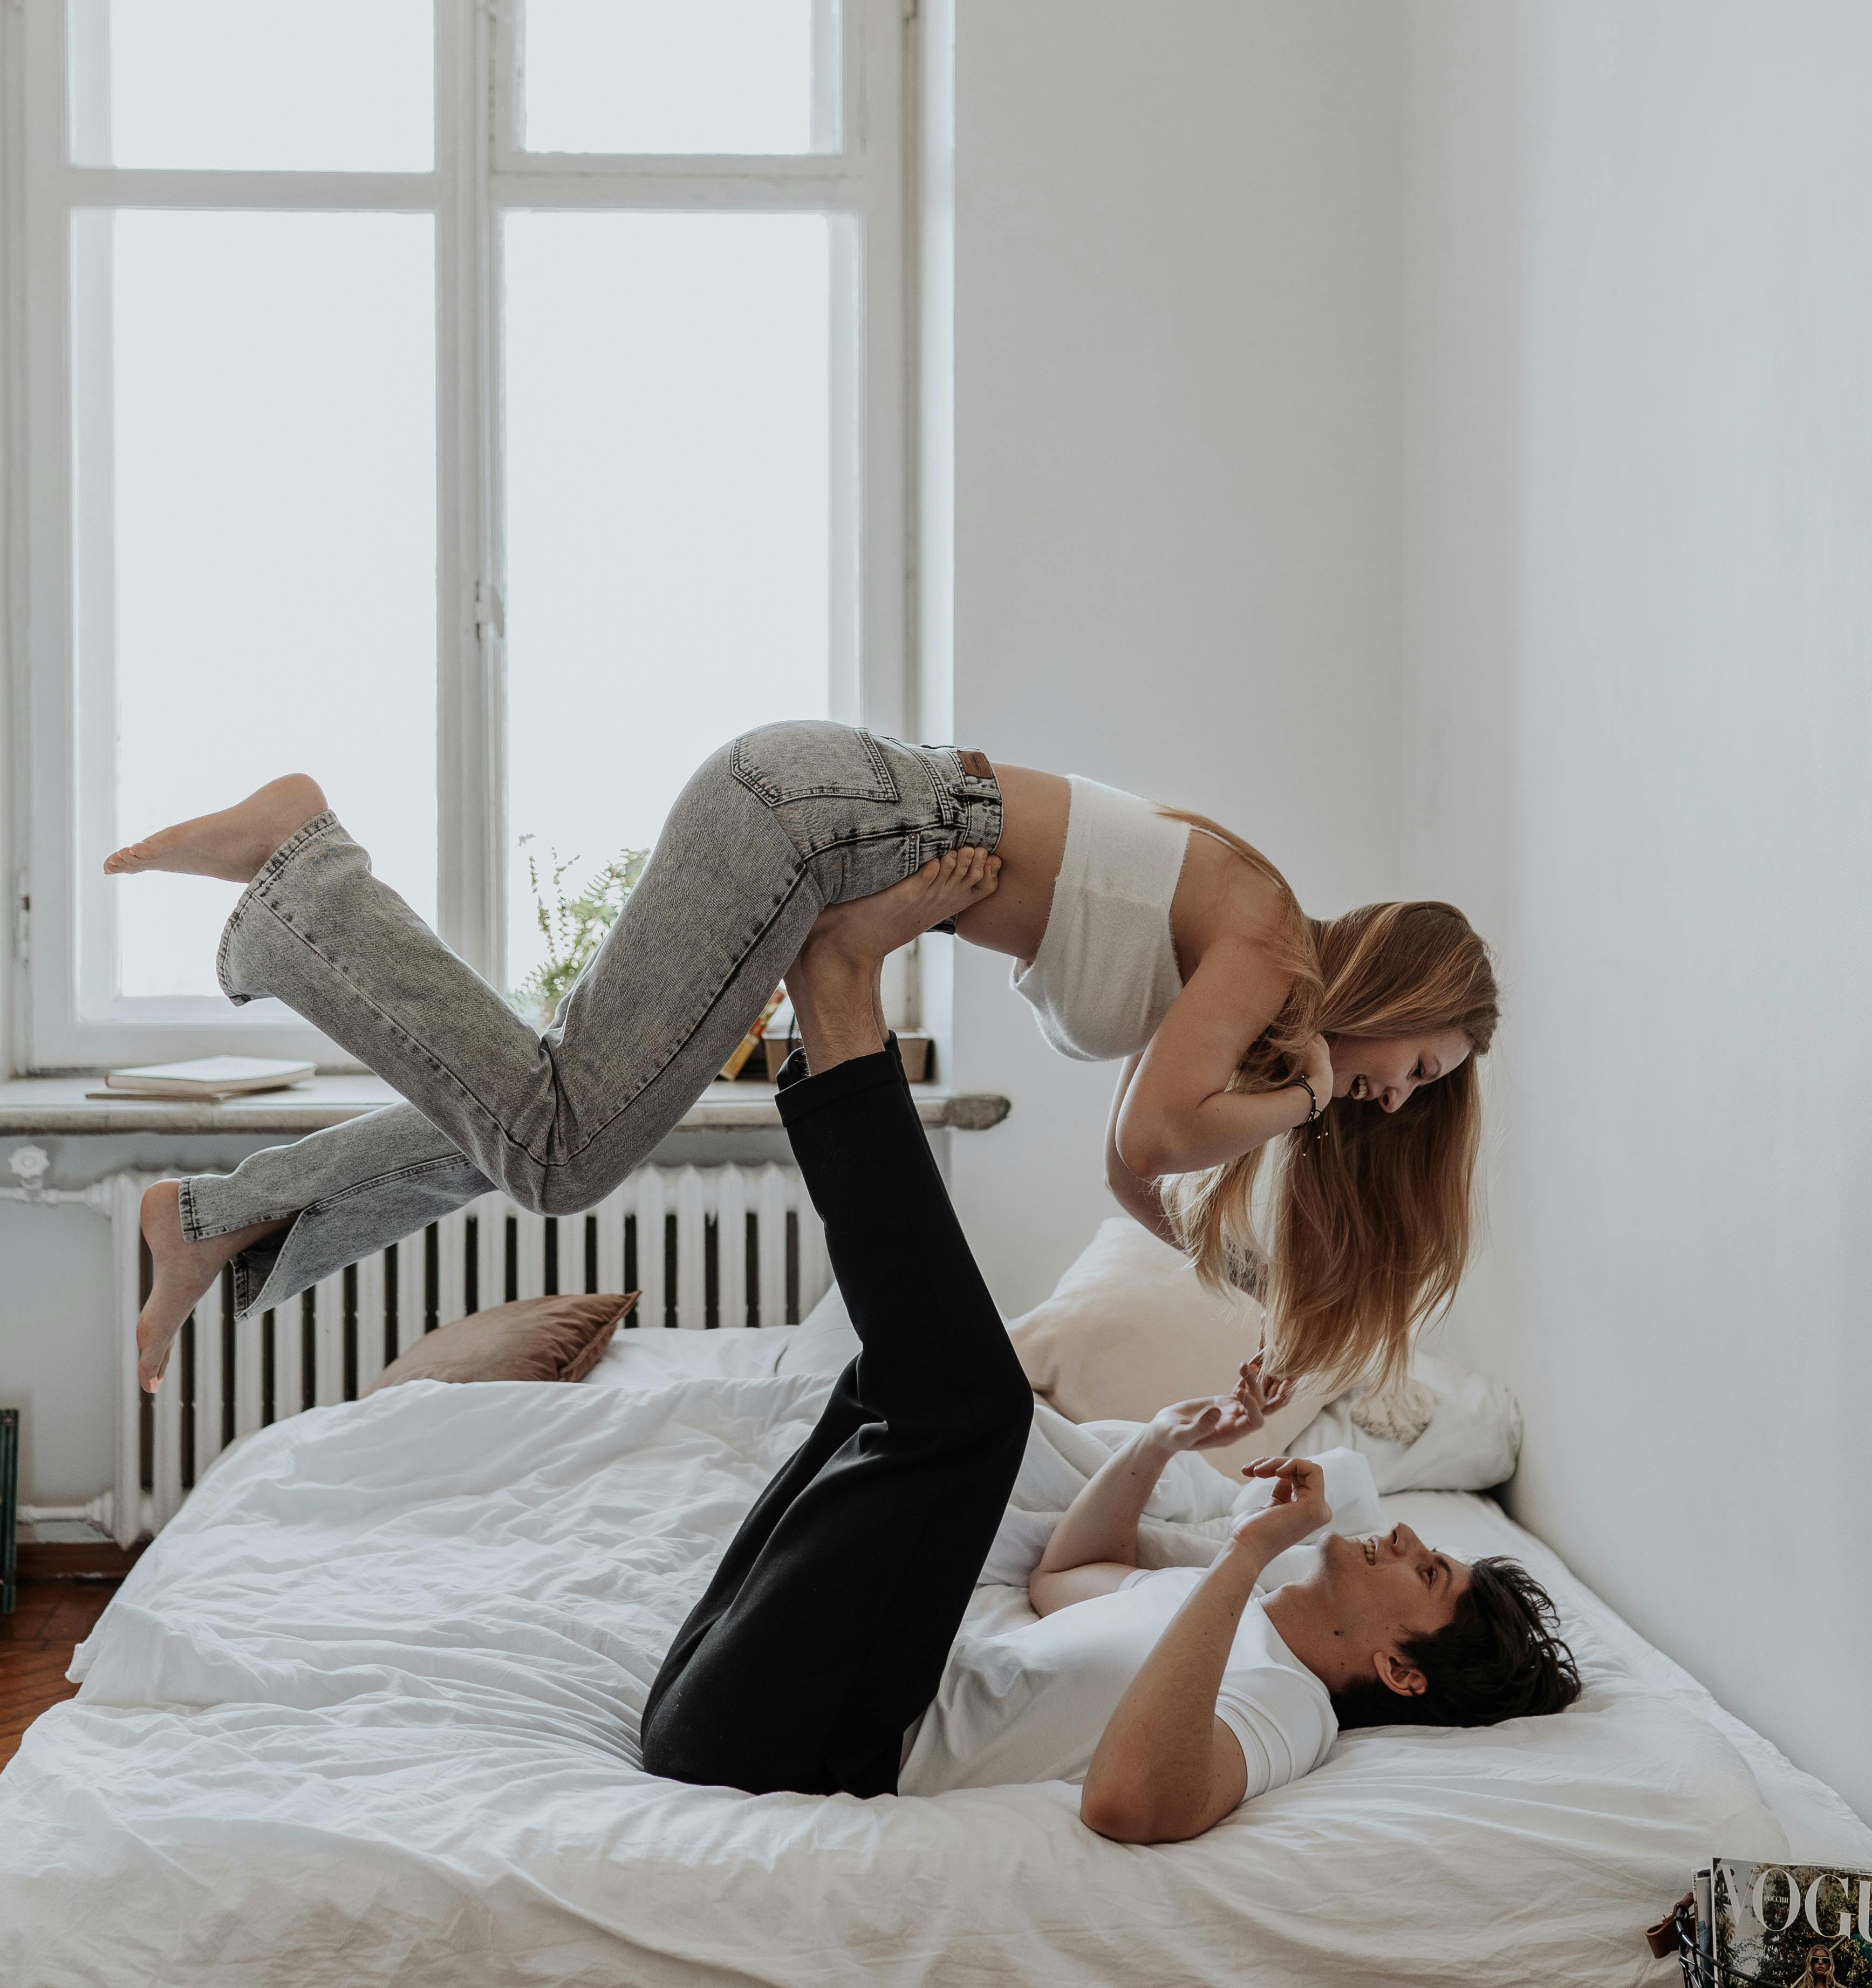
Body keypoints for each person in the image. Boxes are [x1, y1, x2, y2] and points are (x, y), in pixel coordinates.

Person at [105, 726, 1498, 1396]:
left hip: (815, 825)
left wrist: (1247, 1285)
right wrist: (1307, 1094)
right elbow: (1149, 1141)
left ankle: (221, 1213)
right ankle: (303, 868)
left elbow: (1144, 1183)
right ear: (1390, 985)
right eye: (1419, 1063)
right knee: (562, 1149)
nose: (1397, 1093)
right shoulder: (1274, 952)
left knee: (555, 1110)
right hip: (810, 823)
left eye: (1423, 1096)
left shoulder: (1255, 981)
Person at [641, 867, 1577, 1814]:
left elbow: (1131, 1801)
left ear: (1400, 1672)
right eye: (1417, 1069)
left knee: (973, 1405)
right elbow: (1062, 1578)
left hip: (805, 1737)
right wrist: (1161, 1439)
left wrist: (1250, 1554)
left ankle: (837, 994)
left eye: (1429, 1571)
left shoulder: (1294, 1709)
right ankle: (838, 1005)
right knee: (891, 1385)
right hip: (734, 1680)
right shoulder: (1235, 1605)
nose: (1410, 1534)